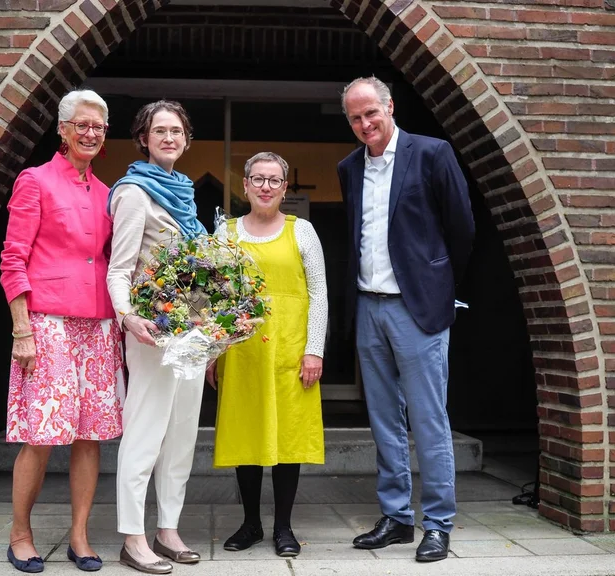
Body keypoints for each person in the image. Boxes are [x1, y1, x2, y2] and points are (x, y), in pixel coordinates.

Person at [338, 76, 475, 563]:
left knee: (428, 420)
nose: (364, 124)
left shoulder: (432, 153)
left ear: (390, 106)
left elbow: (460, 228)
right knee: (383, 420)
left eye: (371, 113)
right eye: (355, 118)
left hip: (417, 309)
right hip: (368, 305)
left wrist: (437, 289)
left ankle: (437, 524)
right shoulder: (349, 167)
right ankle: (396, 517)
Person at [0, 89, 125, 573]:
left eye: (98, 126)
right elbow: (13, 259)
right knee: (42, 433)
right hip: (47, 322)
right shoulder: (35, 181)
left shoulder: (107, 191)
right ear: (63, 129)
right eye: (82, 124)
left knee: (90, 434)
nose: (90, 133)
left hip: (98, 325)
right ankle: (20, 534)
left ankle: (79, 536)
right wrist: (20, 329)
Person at [207, 152, 328, 558]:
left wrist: (314, 350)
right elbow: (213, 298)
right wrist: (212, 352)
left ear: (284, 187)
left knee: (288, 439)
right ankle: (251, 524)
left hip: (291, 352)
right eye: (258, 179)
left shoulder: (303, 231)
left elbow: (319, 296)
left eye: (274, 180)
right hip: (241, 354)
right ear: (244, 185)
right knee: (247, 435)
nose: (265, 187)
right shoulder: (225, 234)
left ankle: (284, 527)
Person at [107, 100, 207, 574]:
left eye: (176, 131)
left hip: (191, 332)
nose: (169, 138)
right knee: (146, 432)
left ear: (186, 140)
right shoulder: (132, 193)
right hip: (151, 333)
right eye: (159, 131)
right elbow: (119, 269)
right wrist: (128, 318)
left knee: (182, 434)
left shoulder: (185, 193)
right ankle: (133, 536)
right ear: (143, 139)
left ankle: (168, 529)